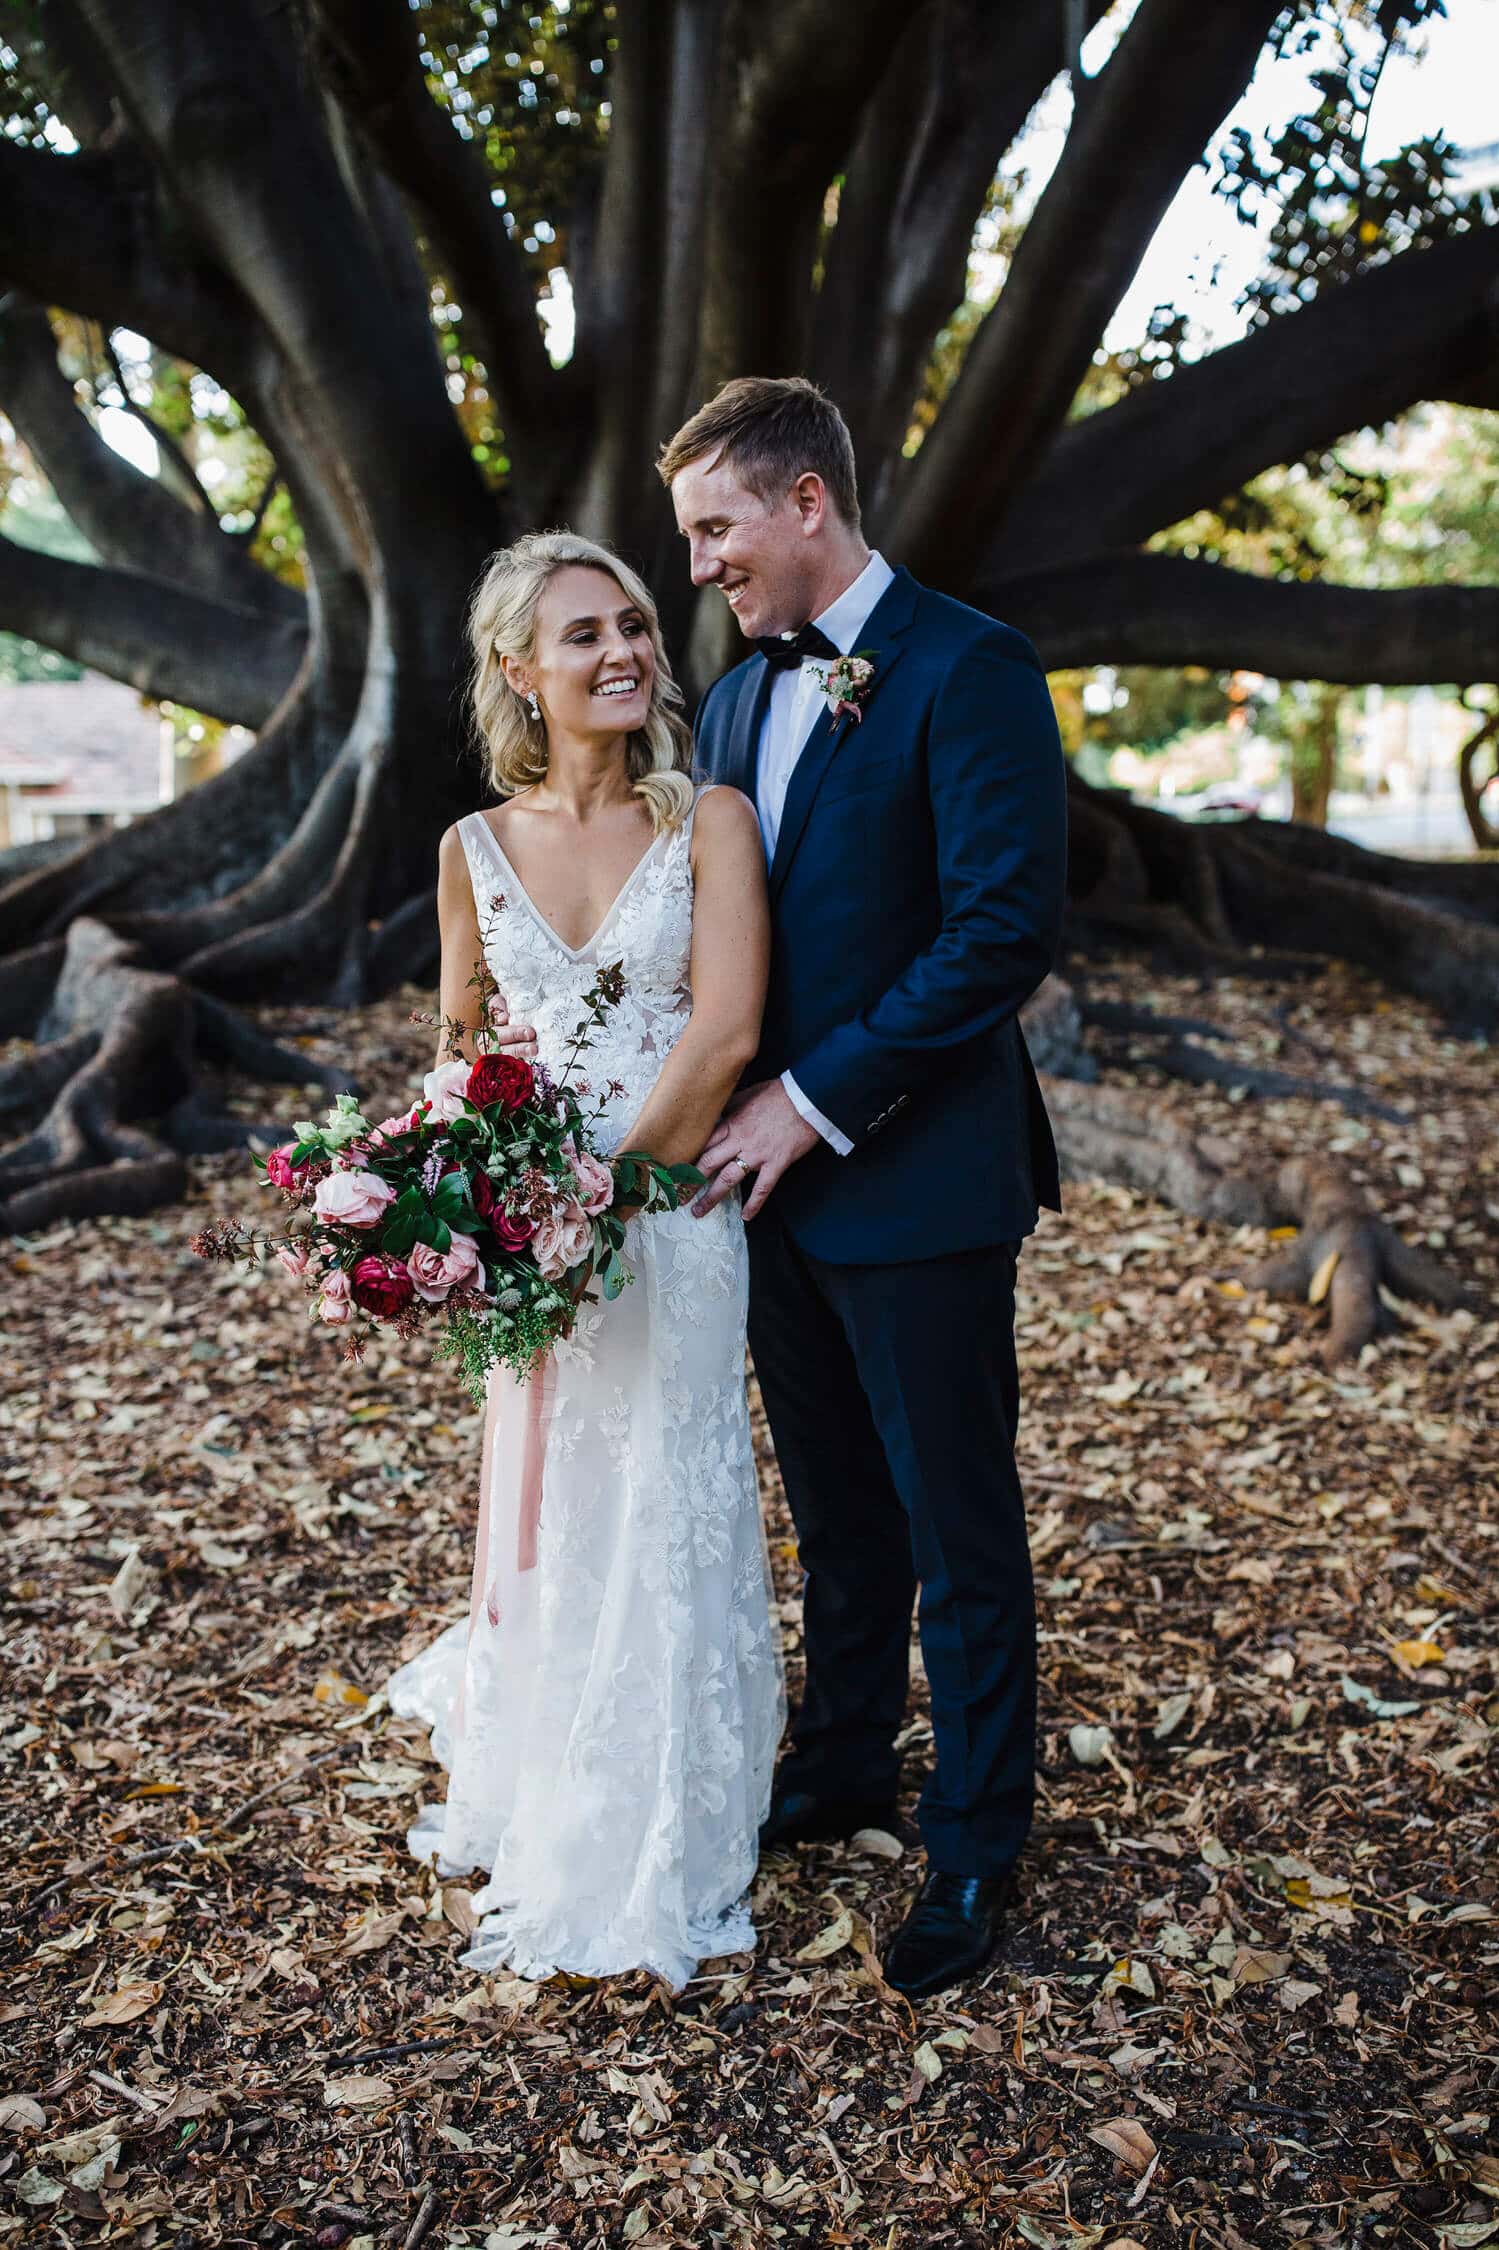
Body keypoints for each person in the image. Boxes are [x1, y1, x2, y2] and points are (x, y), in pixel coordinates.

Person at [666, 377, 1068, 1998]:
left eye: (716, 528)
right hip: (769, 1197)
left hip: (918, 1181)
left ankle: (976, 1833)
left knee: (957, 1527)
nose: (698, 567)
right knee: (835, 1509)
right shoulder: (733, 693)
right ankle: (842, 1764)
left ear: (807, 504)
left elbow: (1000, 933)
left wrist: (810, 1103)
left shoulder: (971, 669)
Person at [385, 530, 784, 1991]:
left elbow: (726, 1032)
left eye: (634, 623)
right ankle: (552, 1772)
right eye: (583, 634)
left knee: (663, 1498)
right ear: (519, 672)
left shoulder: (712, 824)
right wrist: (458, 1204)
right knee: (552, 1497)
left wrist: (600, 1195)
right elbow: (463, 1051)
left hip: (670, 1227)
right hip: (534, 1246)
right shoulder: (469, 850)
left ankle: (669, 1813)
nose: (624, 650)